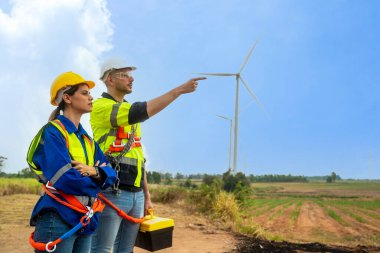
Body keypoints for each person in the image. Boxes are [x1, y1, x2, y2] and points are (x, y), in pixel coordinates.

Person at [90, 59, 206, 253]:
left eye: (131, 74)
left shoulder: (129, 113)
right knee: (101, 249)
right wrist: (178, 91)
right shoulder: (101, 107)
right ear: (110, 79)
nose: (131, 78)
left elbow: (138, 157)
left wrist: (147, 195)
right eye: (125, 74)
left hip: (136, 195)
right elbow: (141, 110)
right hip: (111, 191)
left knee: (126, 250)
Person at [27, 71, 117, 253]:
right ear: (67, 98)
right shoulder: (53, 133)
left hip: (85, 218)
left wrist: (94, 171)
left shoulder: (87, 140)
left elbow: (113, 176)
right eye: (84, 93)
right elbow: (65, 179)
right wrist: (98, 179)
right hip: (58, 217)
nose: (91, 97)